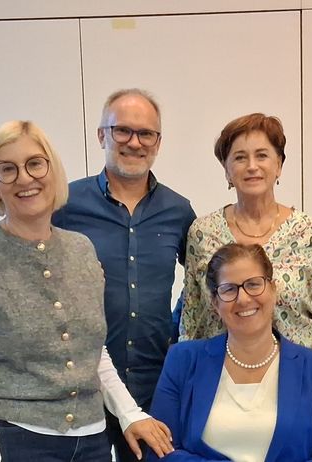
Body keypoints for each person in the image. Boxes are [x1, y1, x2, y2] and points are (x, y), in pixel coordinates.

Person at [0, 120, 174, 461]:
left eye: (35, 164)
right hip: (18, 441)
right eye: (8, 169)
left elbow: (93, 353)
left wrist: (130, 414)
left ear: (53, 171)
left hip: (93, 442)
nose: (25, 178)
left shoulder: (82, 249)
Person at [51, 89, 196, 462]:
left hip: (154, 384)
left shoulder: (178, 211)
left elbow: (202, 282)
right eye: (123, 131)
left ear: (158, 142)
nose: (134, 142)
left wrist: (175, 330)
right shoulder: (65, 205)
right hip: (84, 384)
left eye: (146, 133)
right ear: (102, 135)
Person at [178, 113, 312, 383]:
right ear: (226, 169)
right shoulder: (203, 233)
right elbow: (192, 316)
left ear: (278, 165)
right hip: (220, 381)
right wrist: (187, 378)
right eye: (240, 157)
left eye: (262, 155)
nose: (252, 166)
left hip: (297, 381)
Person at [150, 243, 312, 462]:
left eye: (253, 284)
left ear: (273, 289)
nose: (243, 299)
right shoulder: (182, 360)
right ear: (215, 303)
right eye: (229, 289)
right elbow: (161, 453)